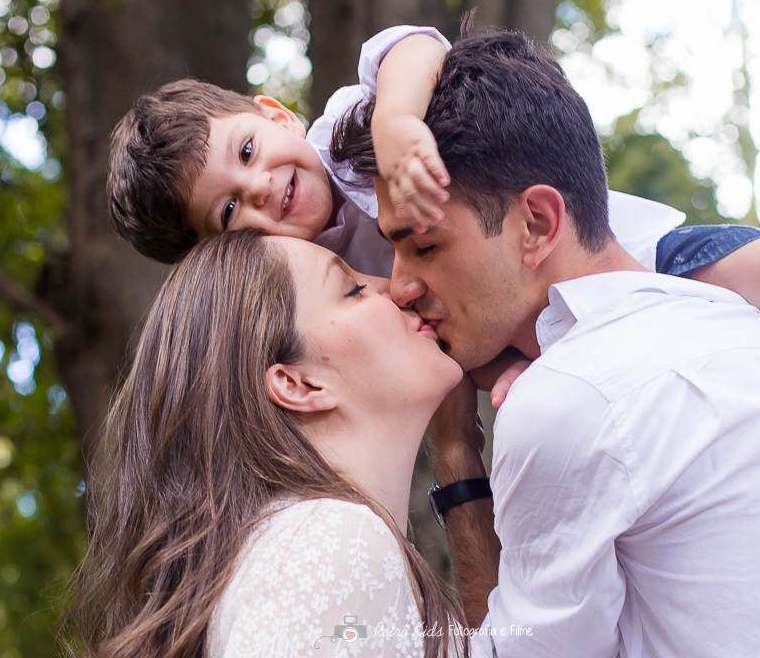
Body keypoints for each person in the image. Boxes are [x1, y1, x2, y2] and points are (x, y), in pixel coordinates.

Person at [332, 25, 760, 656]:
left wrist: (455, 456)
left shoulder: (571, 400)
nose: (401, 287)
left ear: (536, 222)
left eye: (425, 246)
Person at [106, 26, 760, 448]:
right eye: (230, 211)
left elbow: (415, 46)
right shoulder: (314, 281)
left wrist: (398, 125)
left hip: (618, 255)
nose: (265, 190)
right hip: (518, 340)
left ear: (270, 112)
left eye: (249, 151)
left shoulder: (351, 134)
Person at [67, 228, 470, 658]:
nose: (395, 288)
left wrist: (458, 452)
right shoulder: (326, 545)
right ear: (298, 384)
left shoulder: (289, 549)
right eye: (353, 289)